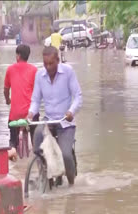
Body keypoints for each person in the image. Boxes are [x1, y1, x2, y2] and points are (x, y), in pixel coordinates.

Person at [28, 46, 82, 186]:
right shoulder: (40, 75)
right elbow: (35, 100)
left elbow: (78, 96)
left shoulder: (68, 72)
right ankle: (44, 176)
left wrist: (71, 111)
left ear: (58, 60)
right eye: (45, 63)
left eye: (51, 63)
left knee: (66, 154)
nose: (48, 67)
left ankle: (71, 184)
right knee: (37, 145)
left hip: (65, 122)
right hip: (48, 120)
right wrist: (31, 113)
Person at [4, 44, 38, 153]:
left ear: (18, 56)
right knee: (36, 137)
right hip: (31, 113)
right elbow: (37, 92)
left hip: (15, 114)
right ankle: (36, 150)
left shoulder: (10, 69)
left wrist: (7, 100)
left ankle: (13, 148)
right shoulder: (34, 70)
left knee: (12, 139)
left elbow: (5, 90)